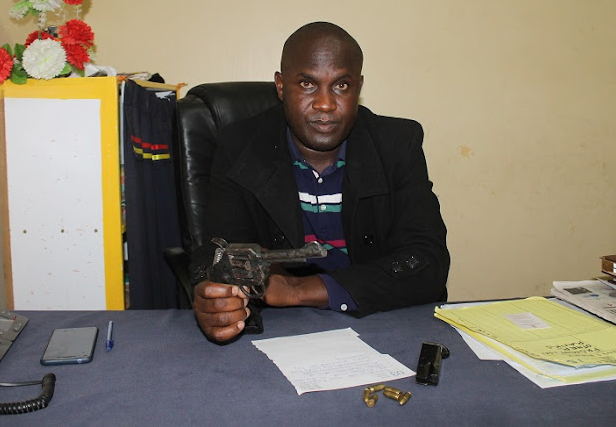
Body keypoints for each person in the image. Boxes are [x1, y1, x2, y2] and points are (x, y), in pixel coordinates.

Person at [190, 22, 450, 342]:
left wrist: (301, 289)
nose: (325, 104)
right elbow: (220, 253)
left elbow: (428, 264)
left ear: (358, 87)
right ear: (282, 86)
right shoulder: (239, 146)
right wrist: (213, 296)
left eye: (341, 85)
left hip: (376, 325)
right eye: (307, 84)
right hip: (280, 335)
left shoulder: (396, 145)